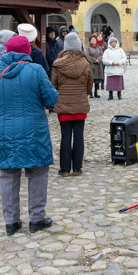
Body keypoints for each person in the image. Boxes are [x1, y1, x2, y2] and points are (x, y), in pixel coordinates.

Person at [0, 36, 58, 235]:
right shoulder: (36, 70)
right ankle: (37, 218)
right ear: (27, 51)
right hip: (34, 129)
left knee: (8, 174)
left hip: (4, 130)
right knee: (38, 172)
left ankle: (11, 222)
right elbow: (51, 98)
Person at [51, 33, 92, 177]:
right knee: (79, 136)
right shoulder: (86, 63)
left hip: (63, 105)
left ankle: (64, 169)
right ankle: (77, 168)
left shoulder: (58, 64)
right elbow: (89, 86)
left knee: (65, 136)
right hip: (80, 104)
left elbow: (53, 86)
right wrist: (82, 94)